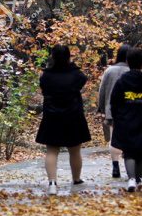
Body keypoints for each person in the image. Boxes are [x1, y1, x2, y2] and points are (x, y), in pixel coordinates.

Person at [36, 44, 91, 195]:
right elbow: (82, 80)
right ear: (69, 57)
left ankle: (52, 183)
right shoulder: (76, 75)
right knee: (75, 151)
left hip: (52, 117)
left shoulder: (46, 77)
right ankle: (76, 180)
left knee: (52, 151)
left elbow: (44, 88)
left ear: (52, 58)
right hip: (73, 116)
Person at [110, 48, 142, 192]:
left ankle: (131, 178)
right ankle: (138, 180)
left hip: (125, 119)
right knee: (141, 150)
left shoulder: (122, 81)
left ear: (127, 62)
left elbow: (114, 102)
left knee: (128, 151)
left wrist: (117, 117)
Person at [97, 44, 131, 178]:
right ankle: (130, 167)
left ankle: (115, 167)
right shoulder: (131, 71)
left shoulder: (109, 71)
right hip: (129, 110)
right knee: (129, 138)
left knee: (113, 138)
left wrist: (102, 107)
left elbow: (102, 91)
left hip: (112, 110)